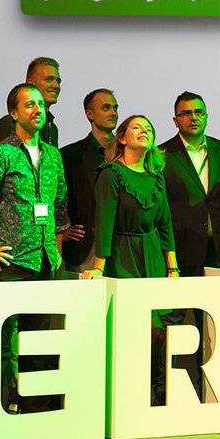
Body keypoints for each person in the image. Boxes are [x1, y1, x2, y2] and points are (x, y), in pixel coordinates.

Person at [0, 83, 68, 413]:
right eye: (29, 105)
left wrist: (56, 249)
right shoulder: (2, 154)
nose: (38, 110)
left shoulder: (53, 156)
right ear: (14, 113)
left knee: (38, 339)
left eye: (40, 105)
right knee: (3, 339)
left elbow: (60, 207)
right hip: (11, 261)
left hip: (44, 261)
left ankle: (34, 407)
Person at [87, 115, 177, 404]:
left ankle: (155, 397)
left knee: (160, 333)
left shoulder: (156, 177)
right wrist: (99, 268)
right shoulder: (111, 174)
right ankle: (127, 396)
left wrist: (172, 266)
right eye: (137, 127)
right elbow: (104, 223)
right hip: (122, 257)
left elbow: (165, 225)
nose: (144, 131)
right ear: (122, 138)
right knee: (138, 329)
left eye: (148, 128)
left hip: (152, 256)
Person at [160, 91, 220, 275]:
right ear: (175, 121)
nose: (193, 117)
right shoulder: (162, 155)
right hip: (180, 248)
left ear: (206, 117)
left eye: (199, 112)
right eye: (186, 113)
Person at [60, 88, 119, 274]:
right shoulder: (70, 155)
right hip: (86, 248)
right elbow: (58, 198)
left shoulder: (127, 152)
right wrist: (61, 231)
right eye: (106, 108)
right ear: (89, 114)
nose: (113, 113)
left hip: (123, 246)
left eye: (115, 108)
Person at [0, 57, 62, 147]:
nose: (56, 86)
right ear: (30, 84)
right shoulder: (10, 123)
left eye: (58, 81)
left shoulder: (52, 128)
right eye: (49, 79)